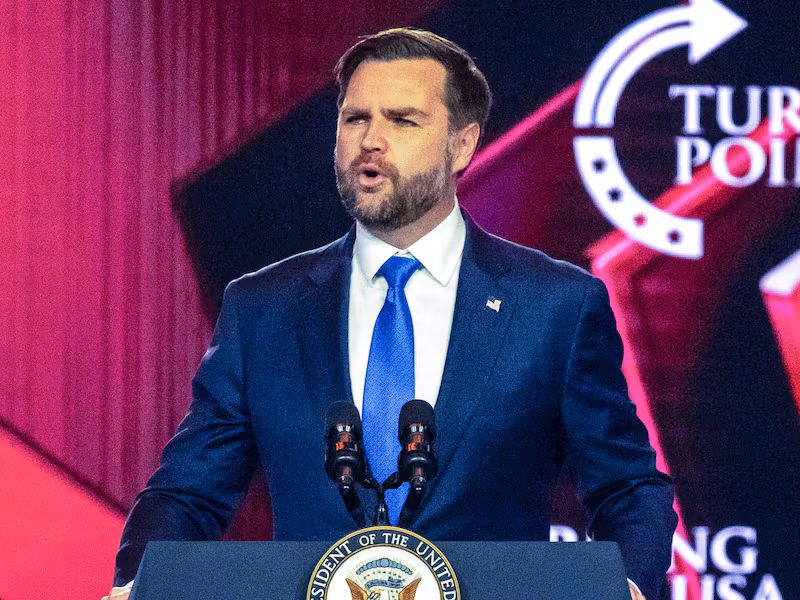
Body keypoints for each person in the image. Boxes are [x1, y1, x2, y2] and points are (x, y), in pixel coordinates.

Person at [107, 28, 677, 600]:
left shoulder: (556, 306)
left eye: (402, 121)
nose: (371, 141)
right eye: (355, 119)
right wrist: (139, 584)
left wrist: (626, 584)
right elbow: (186, 495)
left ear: (462, 145)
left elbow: (628, 488)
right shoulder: (263, 309)